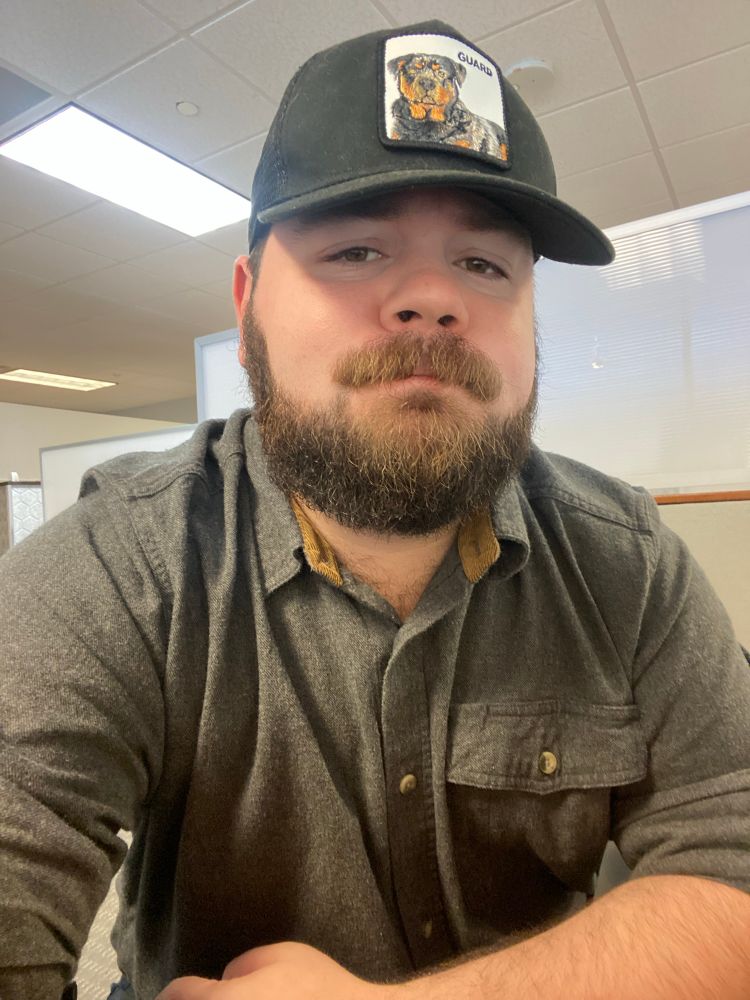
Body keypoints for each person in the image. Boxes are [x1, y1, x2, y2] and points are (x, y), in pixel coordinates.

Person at [1, 19, 749, 1000]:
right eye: (355, 249)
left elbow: (734, 859)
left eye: (485, 265)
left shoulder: (631, 563)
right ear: (247, 303)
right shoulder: (120, 567)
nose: (432, 299)